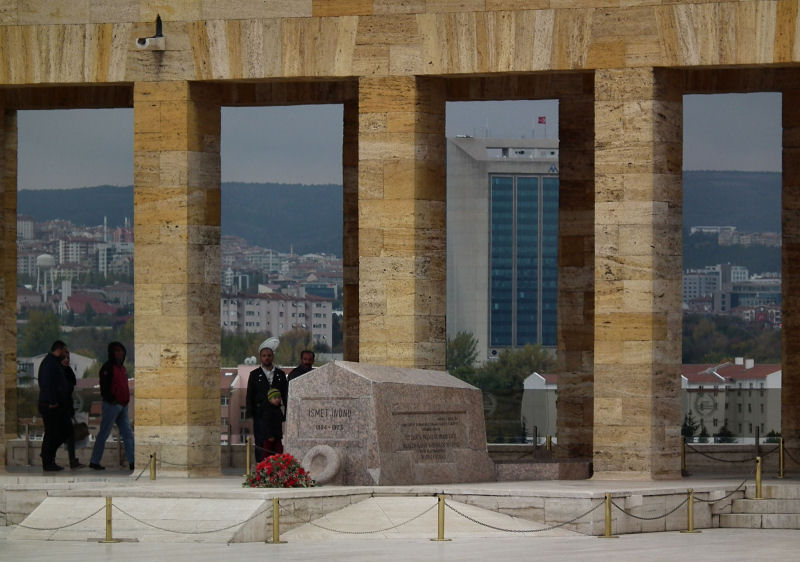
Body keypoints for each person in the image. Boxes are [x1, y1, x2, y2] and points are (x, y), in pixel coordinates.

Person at [89, 341, 135, 471]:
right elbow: (104, 388)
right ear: (112, 353)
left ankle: (132, 461)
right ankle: (94, 461)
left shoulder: (123, 368)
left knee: (128, 434)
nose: (120, 353)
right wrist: (112, 400)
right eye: (117, 351)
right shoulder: (107, 368)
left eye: (121, 351)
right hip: (112, 405)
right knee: (104, 433)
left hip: (123, 406)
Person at [246, 337, 287, 462]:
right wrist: (250, 414)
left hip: (275, 416)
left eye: (269, 355)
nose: (267, 358)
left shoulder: (280, 374)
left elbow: (285, 394)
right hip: (260, 416)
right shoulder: (254, 374)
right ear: (260, 357)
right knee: (260, 442)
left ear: (273, 356)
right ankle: (261, 470)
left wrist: (286, 414)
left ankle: (276, 468)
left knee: (276, 443)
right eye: (264, 355)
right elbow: (250, 395)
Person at [37, 340, 71, 471]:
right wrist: (52, 402)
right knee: (52, 433)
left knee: (63, 432)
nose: (65, 353)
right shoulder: (49, 363)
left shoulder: (55, 363)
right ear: (60, 349)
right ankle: (47, 460)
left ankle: (47, 454)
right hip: (50, 405)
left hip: (57, 405)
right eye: (65, 350)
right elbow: (46, 384)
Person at [61, 351, 85, 469]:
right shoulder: (60, 372)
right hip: (61, 409)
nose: (67, 360)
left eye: (68, 358)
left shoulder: (67, 371)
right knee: (62, 436)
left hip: (67, 409)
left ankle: (72, 460)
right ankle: (48, 456)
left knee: (69, 436)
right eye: (64, 358)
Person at [260, 388, 284, 456]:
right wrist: (269, 435)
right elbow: (266, 423)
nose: (277, 399)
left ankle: (277, 466)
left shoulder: (278, 409)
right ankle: (265, 466)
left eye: (279, 398)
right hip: (269, 437)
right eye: (275, 398)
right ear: (270, 399)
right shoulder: (267, 409)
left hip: (277, 436)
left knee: (278, 453)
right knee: (267, 453)